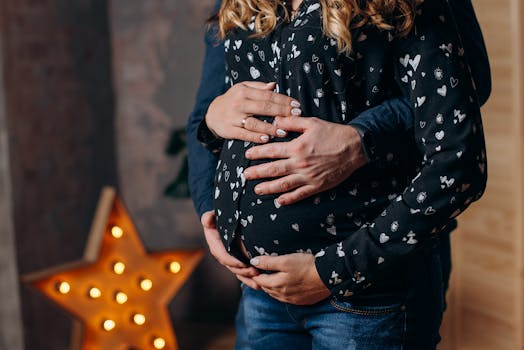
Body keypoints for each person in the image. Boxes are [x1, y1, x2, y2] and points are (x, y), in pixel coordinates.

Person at [186, 0, 490, 348]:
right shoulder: (243, 4)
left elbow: (461, 112)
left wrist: (363, 137)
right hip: (261, 287)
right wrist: (212, 210)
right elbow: (205, 115)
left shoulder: (400, 5)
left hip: (363, 291)